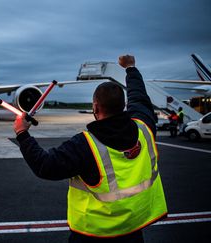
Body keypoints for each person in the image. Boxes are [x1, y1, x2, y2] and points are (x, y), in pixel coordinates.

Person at [13, 55, 167, 242]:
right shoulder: (144, 127)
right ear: (124, 105)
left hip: (93, 234)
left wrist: (22, 133)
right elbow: (140, 97)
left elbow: (44, 165)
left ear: (95, 107)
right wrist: (131, 69)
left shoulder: (85, 145)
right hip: (133, 229)